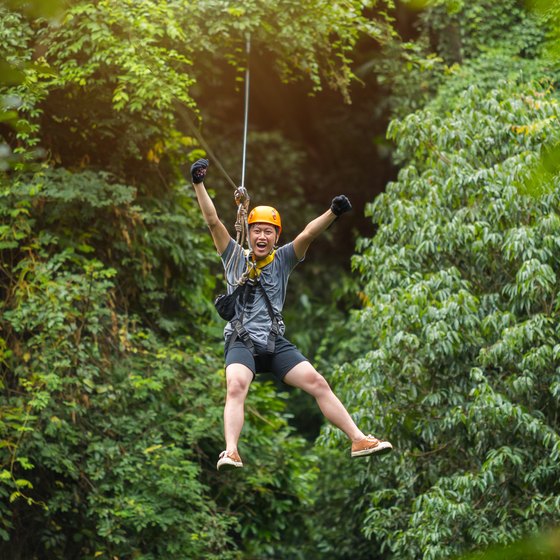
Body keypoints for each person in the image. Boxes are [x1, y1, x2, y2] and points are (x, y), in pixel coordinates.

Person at [190, 158, 393, 470]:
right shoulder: (232, 256)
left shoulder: (283, 259)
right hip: (241, 342)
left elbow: (308, 234)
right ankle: (231, 451)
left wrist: (333, 213)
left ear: (275, 236)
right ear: (248, 230)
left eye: (268, 232)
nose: (261, 236)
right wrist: (198, 183)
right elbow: (212, 221)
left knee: (317, 382)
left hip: (273, 344)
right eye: (256, 230)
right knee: (235, 386)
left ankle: (358, 438)